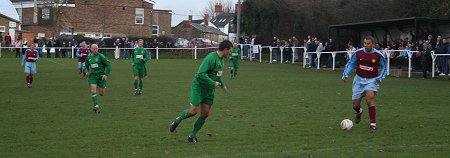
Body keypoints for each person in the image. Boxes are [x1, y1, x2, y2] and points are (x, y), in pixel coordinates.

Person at [169, 40, 232, 143]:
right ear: (225, 49)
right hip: (199, 86)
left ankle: (192, 135)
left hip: (209, 90)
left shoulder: (221, 60)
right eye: (230, 50)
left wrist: (223, 86)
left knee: (205, 113)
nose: (230, 53)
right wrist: (213, 83)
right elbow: (200, 74)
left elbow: (218, 75)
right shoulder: (211, 58)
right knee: (193, 111)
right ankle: (178, 120)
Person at [342, 36, 387, 132]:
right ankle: (359, 112)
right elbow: (351, 64)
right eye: (365, 43)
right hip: (358, 80)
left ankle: (373, 124)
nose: (366, 45)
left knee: (369, 98)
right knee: (355, 105)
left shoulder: (378, 55)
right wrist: (345, 75)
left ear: (373, 44)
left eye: (368, 43)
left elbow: (384, 67)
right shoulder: (358, 53)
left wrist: (380, 78)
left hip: (372, 81)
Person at [84, 44, 111, 113]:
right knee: (93, 90)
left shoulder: (101, 56)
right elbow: (86, 66)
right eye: (94, 48)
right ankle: (96, 107)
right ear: (91, 49)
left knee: (101, 93)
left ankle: (101, 86)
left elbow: (108, 65)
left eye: (96, 48)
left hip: (101, 76)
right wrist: (87, 72)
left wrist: (106, 74)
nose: (95, 50)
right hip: (92, 76)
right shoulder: (88, 57)